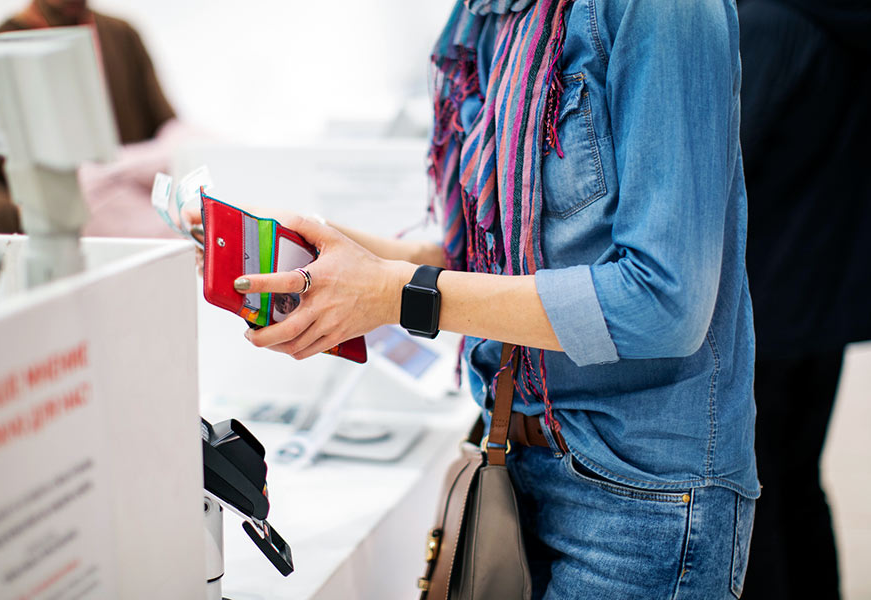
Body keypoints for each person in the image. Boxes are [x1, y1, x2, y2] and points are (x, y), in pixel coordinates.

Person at [227, 0, 758, 596]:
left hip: (638, 496)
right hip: (510, 455)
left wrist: (393, 293)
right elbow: (481, 265)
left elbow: (663, 304)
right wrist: (318, 252)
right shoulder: (493, 15)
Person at [737, 0, 871, 597]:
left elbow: (716, 165)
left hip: (756, 307)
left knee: (755, 503)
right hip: (820, 301)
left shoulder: (766, 22)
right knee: (794, 484)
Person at [0, 0, 182, 237]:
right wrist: (33, 215)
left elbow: (168, 131)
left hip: (139, 230)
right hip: (52, 240)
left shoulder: (121, 36)